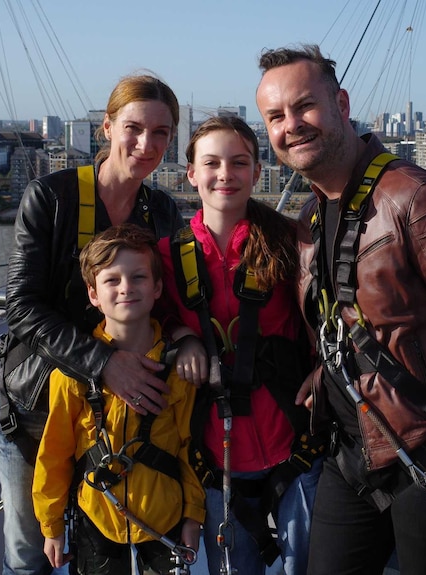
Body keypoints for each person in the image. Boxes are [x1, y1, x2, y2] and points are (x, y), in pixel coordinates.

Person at [255, 44, 426, 575]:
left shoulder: (415, 199)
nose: (291, 125)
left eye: (304, 106)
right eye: (275, 116)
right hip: (350, 452)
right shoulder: (309, 216)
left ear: (342, 104)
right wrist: (323, 370)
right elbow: (349, 314)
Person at [0, 73, 186, 575]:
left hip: (120, 420)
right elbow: (23, 304)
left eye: (162, 132)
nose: (147, 144)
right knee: (31, 550)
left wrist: (185, 338)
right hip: (39, 408)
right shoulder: (51, 198)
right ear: (106, 127)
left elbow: (173, 301)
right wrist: (103, 364)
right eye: (134, 127)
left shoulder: (161, 212)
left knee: (108, 543)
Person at [157, 116, 324, 575]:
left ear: (255, 170)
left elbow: (327, 319)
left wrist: (323, 369)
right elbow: (147, 316)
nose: (225, 174)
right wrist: (181, 335)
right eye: (211, 163)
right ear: (190, 173)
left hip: (294, 444)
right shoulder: (168, 257)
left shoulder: (289, 243)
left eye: (239, 162)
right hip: (216, 458)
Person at [32, 224, 203, 574]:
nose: (126, 288)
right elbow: (55, 452)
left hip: (164, 517)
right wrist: (51, 526)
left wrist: (193, 516)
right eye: (112, 281)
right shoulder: (73, 374)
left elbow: (190, 447)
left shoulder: (174, 368)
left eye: (138, 277)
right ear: (93, 293)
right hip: (97, 515)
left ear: (157, 288)